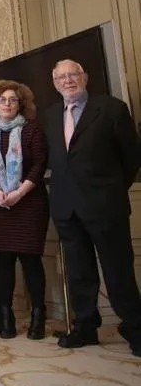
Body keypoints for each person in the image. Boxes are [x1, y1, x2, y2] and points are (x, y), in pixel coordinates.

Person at [42, 59, 141, 356]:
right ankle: (85, 327)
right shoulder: (49, 115)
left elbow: (131, 157)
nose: (68, 81)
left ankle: (135, 329)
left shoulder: (111, 108)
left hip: (105, 206)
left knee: (118, 270)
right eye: (61, 77)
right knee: (79, 272)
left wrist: (110, 190)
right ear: (55, 83)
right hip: (66, 208)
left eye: (73, 75)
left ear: (84, 77)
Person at [0, 80, 49, 340]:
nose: (7, 104)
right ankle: (6, 317)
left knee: (31, 262)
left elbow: (39, 165)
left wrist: (18, 193)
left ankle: (38, 317)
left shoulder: (32, 129)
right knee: (3, 263)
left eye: (12, 100)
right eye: (2, 100)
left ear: (21, 104)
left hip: (29, 203)